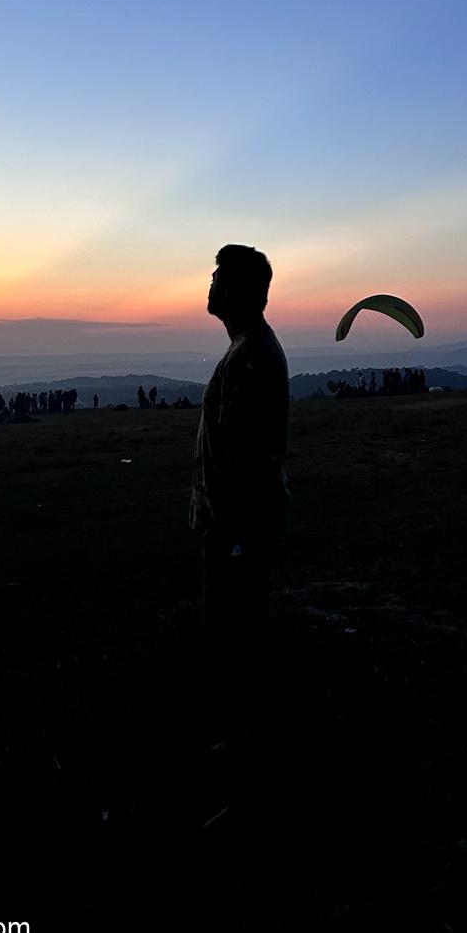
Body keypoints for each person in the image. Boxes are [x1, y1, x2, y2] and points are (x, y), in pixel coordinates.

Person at [191, 244, 290, 655]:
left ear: (234, 292)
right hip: (239, 522)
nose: (210, 286)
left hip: (239, 525)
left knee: (236, 634)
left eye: (217, 278)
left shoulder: (250, 356)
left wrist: (228, 533)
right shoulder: (247, 349)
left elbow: (242, 457)